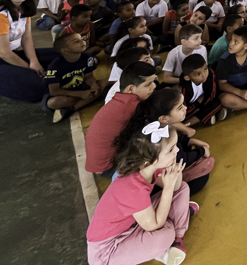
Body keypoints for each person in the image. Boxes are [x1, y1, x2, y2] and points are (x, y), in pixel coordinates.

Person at [86, 121, 195, 265]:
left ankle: (178, 238)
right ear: (146, 162)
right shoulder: (132, 187)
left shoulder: (149, 167)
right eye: (170, 150)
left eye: (175, 147)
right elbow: (154, 224)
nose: (176, 151)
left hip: (133, 225)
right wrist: (168, 188)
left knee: (183, 188)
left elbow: (176, 187)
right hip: (108, 250)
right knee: (166, 233)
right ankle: (172, 233)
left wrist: (174, 170)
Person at [85, 57, 157, 176]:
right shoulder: (133, 106)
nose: (153, 87)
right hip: (110, 167)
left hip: (99, 164)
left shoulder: (120, 98)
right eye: (148, 84)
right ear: (131, 88)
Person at [44, 32, 109, 123]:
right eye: (76, 41)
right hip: (64, 93)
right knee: (52, 103)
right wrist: (80, 94)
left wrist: (93, 84)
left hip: (81, 86)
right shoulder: (55, 67)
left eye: (82, 39)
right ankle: (92, 98)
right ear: (65, 50)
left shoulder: (87, 57)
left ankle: (71, 109)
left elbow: (89, 77)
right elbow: (54, 91)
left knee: (106, 82)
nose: (82, 42)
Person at [181, 55, 225, 127]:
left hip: (203, 103)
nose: (204, 75)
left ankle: (185, 125)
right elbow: (183, 108)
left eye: (205, 69)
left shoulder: (210, 74)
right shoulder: (184, 86)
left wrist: (200, 105)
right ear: (187, 78)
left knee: (217, 103)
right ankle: (207, 117)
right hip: (188, 109)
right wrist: (198, 103)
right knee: (181, 116)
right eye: (198, 74)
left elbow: (212, 95)